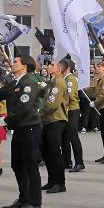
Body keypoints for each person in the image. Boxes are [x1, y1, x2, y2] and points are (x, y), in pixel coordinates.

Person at [0, 55, 43, 208]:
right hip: (20, 128)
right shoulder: (15, 83)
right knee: (17, 165)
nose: (11, 64)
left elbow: (24, 108)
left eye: (15, 62)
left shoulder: (29, 83)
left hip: (30, 128)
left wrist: (7, 120)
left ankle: (34, 203)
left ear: (24, 66)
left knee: (30, 166)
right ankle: (23, 198)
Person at [40, 60, 69, 194]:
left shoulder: (58, 82)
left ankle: (59, 182)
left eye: (52, 65)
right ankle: (52, 180)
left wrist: (39, 112)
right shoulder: (52, 82)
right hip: (49, 120)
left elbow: (52, 104)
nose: (48, 66)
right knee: (47, 152)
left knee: (54, 152)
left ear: (58, 69)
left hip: (56, 119)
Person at [61, 59, 84, 173]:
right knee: (64, 137)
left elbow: (70, 95)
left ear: (68, 68)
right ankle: (67, 161)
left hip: (72, 109)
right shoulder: (63, 79)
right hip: (65, 111)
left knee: (72, 136)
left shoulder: (70, 79)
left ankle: (79, 162)